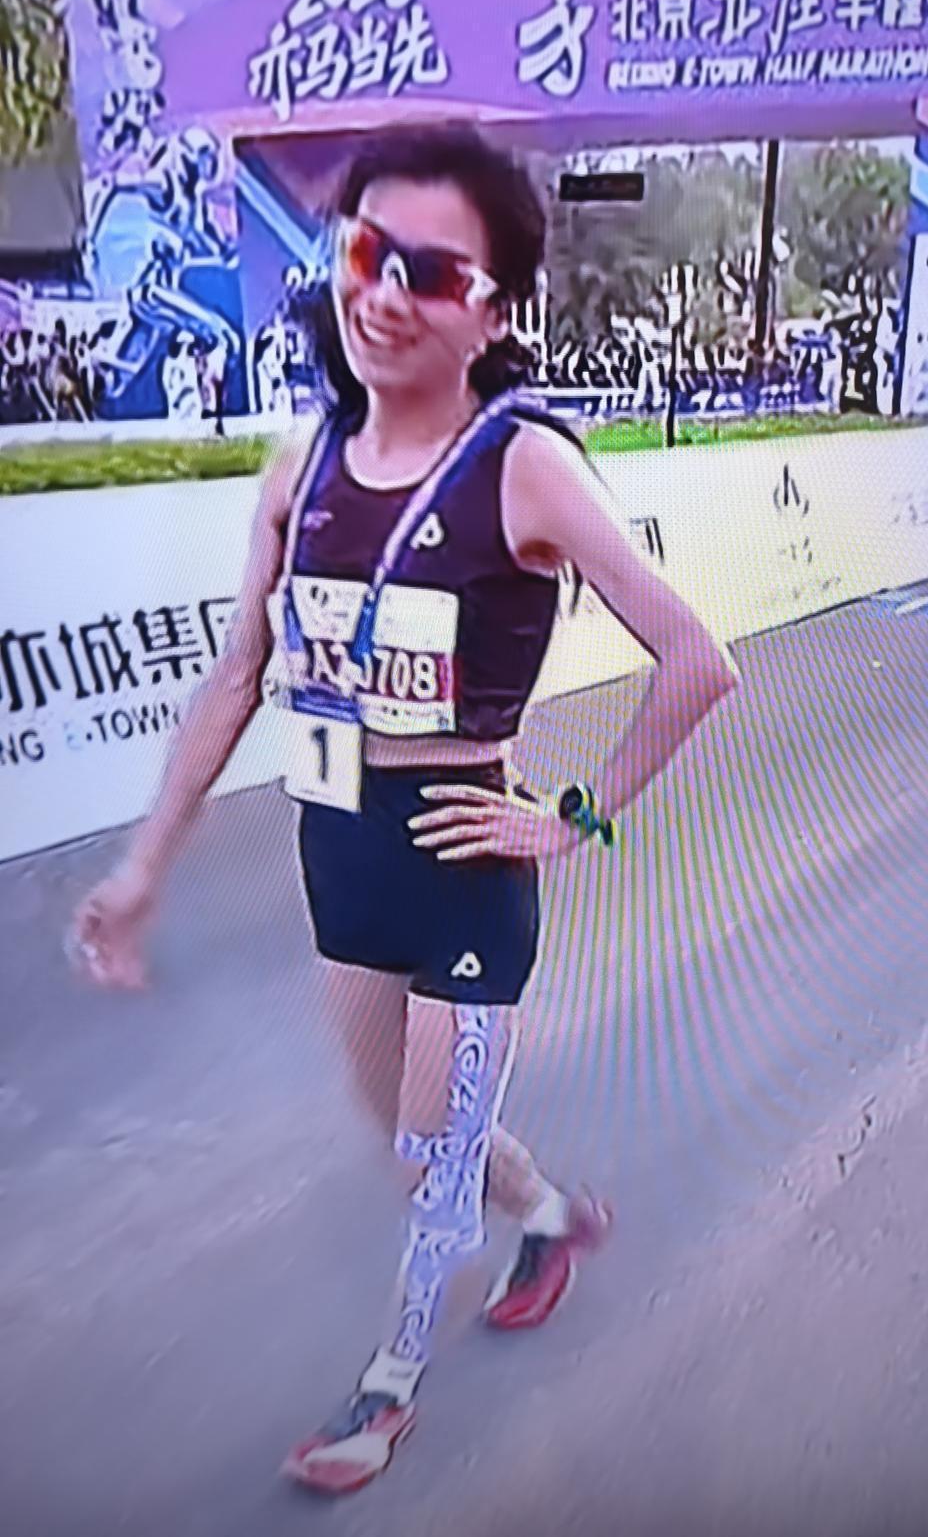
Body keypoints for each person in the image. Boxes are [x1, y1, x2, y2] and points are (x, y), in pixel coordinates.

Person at [70, 123, 738, 1498]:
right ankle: (547, 1212)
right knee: (410, 1131)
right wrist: (142, 869)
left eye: (431, 272)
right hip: (341, 848)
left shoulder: (524, 464)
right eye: (368, 252)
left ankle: (387, 1386)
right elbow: (238, 676)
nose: (384, 293)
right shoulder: (300, 464)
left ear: (491, 311)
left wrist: (571, 818)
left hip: (463, 859)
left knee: (433, 1155)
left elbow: (696, 660)